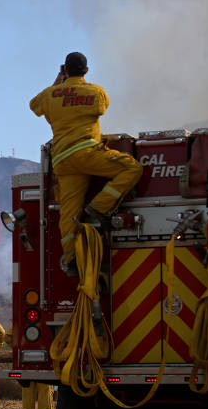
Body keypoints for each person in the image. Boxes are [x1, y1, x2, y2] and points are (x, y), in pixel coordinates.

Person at [29, 52, 143, 275]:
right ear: (86, 71)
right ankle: (100, 207)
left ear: (65, 70)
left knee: (69, 213)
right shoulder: (95, 92)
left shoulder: (51, 95)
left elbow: (35, 106)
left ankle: (72, 259)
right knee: (132, 168)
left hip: (62, 161)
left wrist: (58, 83)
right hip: (88, 154)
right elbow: (102, 108)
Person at [4, 326, 52, 409]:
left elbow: (7, 337)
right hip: (44, 362)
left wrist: (18, 348)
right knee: (44, 393)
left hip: (26, 362)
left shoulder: (23, 318)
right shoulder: (45, 318)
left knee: (27, 392)